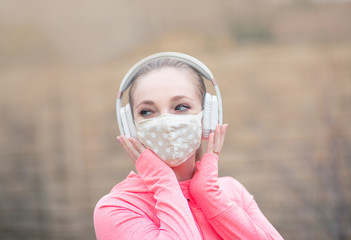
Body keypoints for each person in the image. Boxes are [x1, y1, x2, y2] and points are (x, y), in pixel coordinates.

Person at [93, 52, 283, 240]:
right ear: (131, 127)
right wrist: (162, 180)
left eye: (181, 107)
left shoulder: (232, 192)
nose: (166, 122)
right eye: (147, 111)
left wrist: (209, 196)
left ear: (208, 117)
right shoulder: (117, 207)